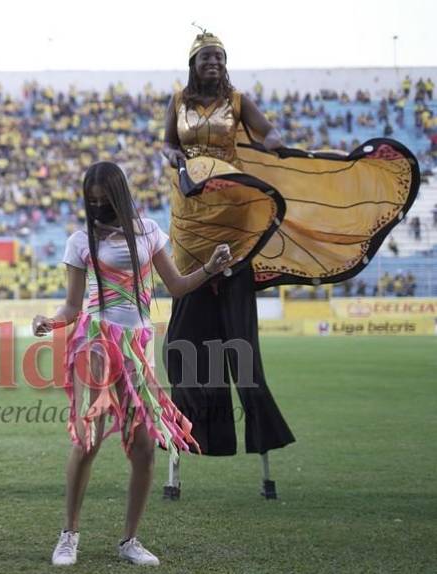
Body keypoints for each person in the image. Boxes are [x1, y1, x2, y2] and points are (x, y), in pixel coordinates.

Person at [161, 31, 418, 499]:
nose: (214, 62)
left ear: (224, 62)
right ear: (194, 64)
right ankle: (189, 439)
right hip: (190, 220)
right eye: (206, 57)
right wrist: (174, 155)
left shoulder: (239, 101)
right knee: (182, 344)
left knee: (242, 352)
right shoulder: (176, 100)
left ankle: (262, 451)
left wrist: (281, 145)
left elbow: (269, 134)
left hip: (235, 217)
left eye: (219, 56)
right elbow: (163, 144)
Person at [33, 162, 231, 567]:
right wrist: (49, 321)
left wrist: (209, 268)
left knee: (143, 447)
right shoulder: (80, 241)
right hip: (97, 340)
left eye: (105, 200)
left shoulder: (150, 231)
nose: (99, 207)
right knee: (89, 438)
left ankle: (130, 540)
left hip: (139, 346)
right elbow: (72, 305)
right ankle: (68, 534)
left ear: (120, 195)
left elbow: (175, 285)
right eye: (92, 202)